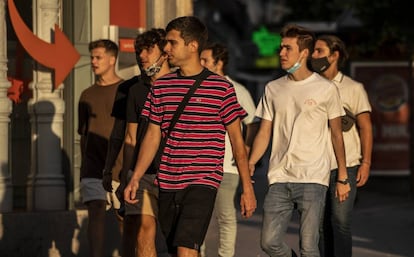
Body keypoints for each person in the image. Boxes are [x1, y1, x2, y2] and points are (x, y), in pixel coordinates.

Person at [124, 16, 257, 257]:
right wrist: (136, 177)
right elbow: (152, 136)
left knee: (186, 248)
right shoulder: (161, 87)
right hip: (167, 180)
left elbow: (238, 142)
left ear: (192, 45)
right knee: (178, 249)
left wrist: (247, 188)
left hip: (202, 181)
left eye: (172, 43)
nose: (166, 48)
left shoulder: (221, 88)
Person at [248, 24, 350, 257]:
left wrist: (342, 176)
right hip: (279, 176)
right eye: (281, 48)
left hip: (313, 177)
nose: (281, 53)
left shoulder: (326, 89)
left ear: (304, 53)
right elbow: (264, 131)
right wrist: (251, 161)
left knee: (309, 247)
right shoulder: (273, 88)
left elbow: (336, 134)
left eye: (287, 48)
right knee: (269, 243)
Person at [102, 29, 170, 257]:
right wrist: (125, 177)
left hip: (176, 174)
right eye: (140, 50)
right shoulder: (134, 91)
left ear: (165, 53)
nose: (142, 55)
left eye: (149, 50)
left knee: (180, 241)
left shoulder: (181, 86)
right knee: (144, 229)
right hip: (143, 173)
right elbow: (128, 136)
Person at [310, 34, 373, 257]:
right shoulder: (310, 86)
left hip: (346, 166)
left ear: (334, 55)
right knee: (318, 225)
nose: (313, 55)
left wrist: (366, 162)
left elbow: (365, 127)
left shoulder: (353, 88)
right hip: (316, 166)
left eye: (319, 51)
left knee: (340, 221)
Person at [199, 42, 259, 257]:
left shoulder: (236, 90)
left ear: (219, 62)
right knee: (200, 216)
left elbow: (252, 122)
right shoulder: (199, 86)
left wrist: (246, 149)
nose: (201, 63)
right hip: (201, 165)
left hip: (228, 166)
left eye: (205, 60)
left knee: (224, 215)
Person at [78, 39, 124, 257]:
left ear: (112, 59)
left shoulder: (126, 91)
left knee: (123, 216)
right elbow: (83, 135)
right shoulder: (86, 95)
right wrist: (84, 166)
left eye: (98, 57)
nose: (93, 62)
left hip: (120, 166)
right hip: (93, 166)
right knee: (96, 210)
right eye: (92, 57)